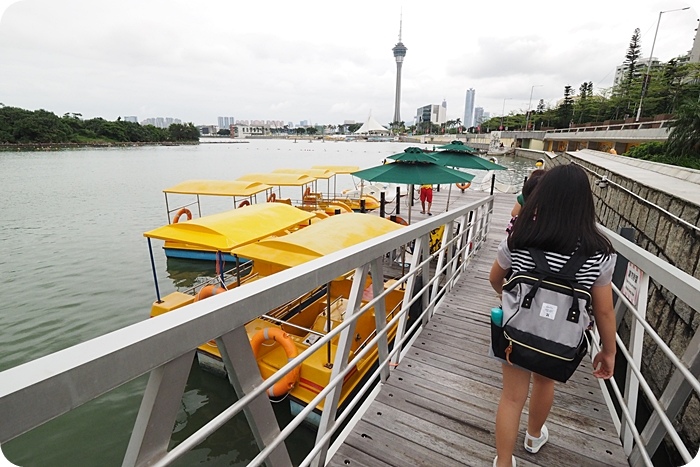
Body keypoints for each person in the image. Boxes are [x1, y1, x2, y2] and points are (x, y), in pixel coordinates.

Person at [488, 164, 617, 467]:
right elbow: (604, 309)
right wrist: (608, 351)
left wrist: (510, 299)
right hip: (560, 338)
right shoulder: (599, 252)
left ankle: (504, 462)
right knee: (545, 383)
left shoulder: (518, 238)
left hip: (516, 331)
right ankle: (534, 437)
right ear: (585, 203)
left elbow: (496, 279)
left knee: (511, 398)